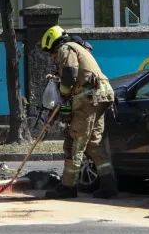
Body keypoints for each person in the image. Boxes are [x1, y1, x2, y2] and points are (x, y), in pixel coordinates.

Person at [41, 25, 118, 199]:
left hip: (88, 98)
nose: (53, 58)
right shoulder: (80, 49)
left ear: (53, 45)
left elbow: (70, 73)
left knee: (75, 142)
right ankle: (109, 184)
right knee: (93, 144)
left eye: (51, 54)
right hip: (102, 96)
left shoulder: (65, 49)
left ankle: (68, 186)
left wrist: (63, 96)